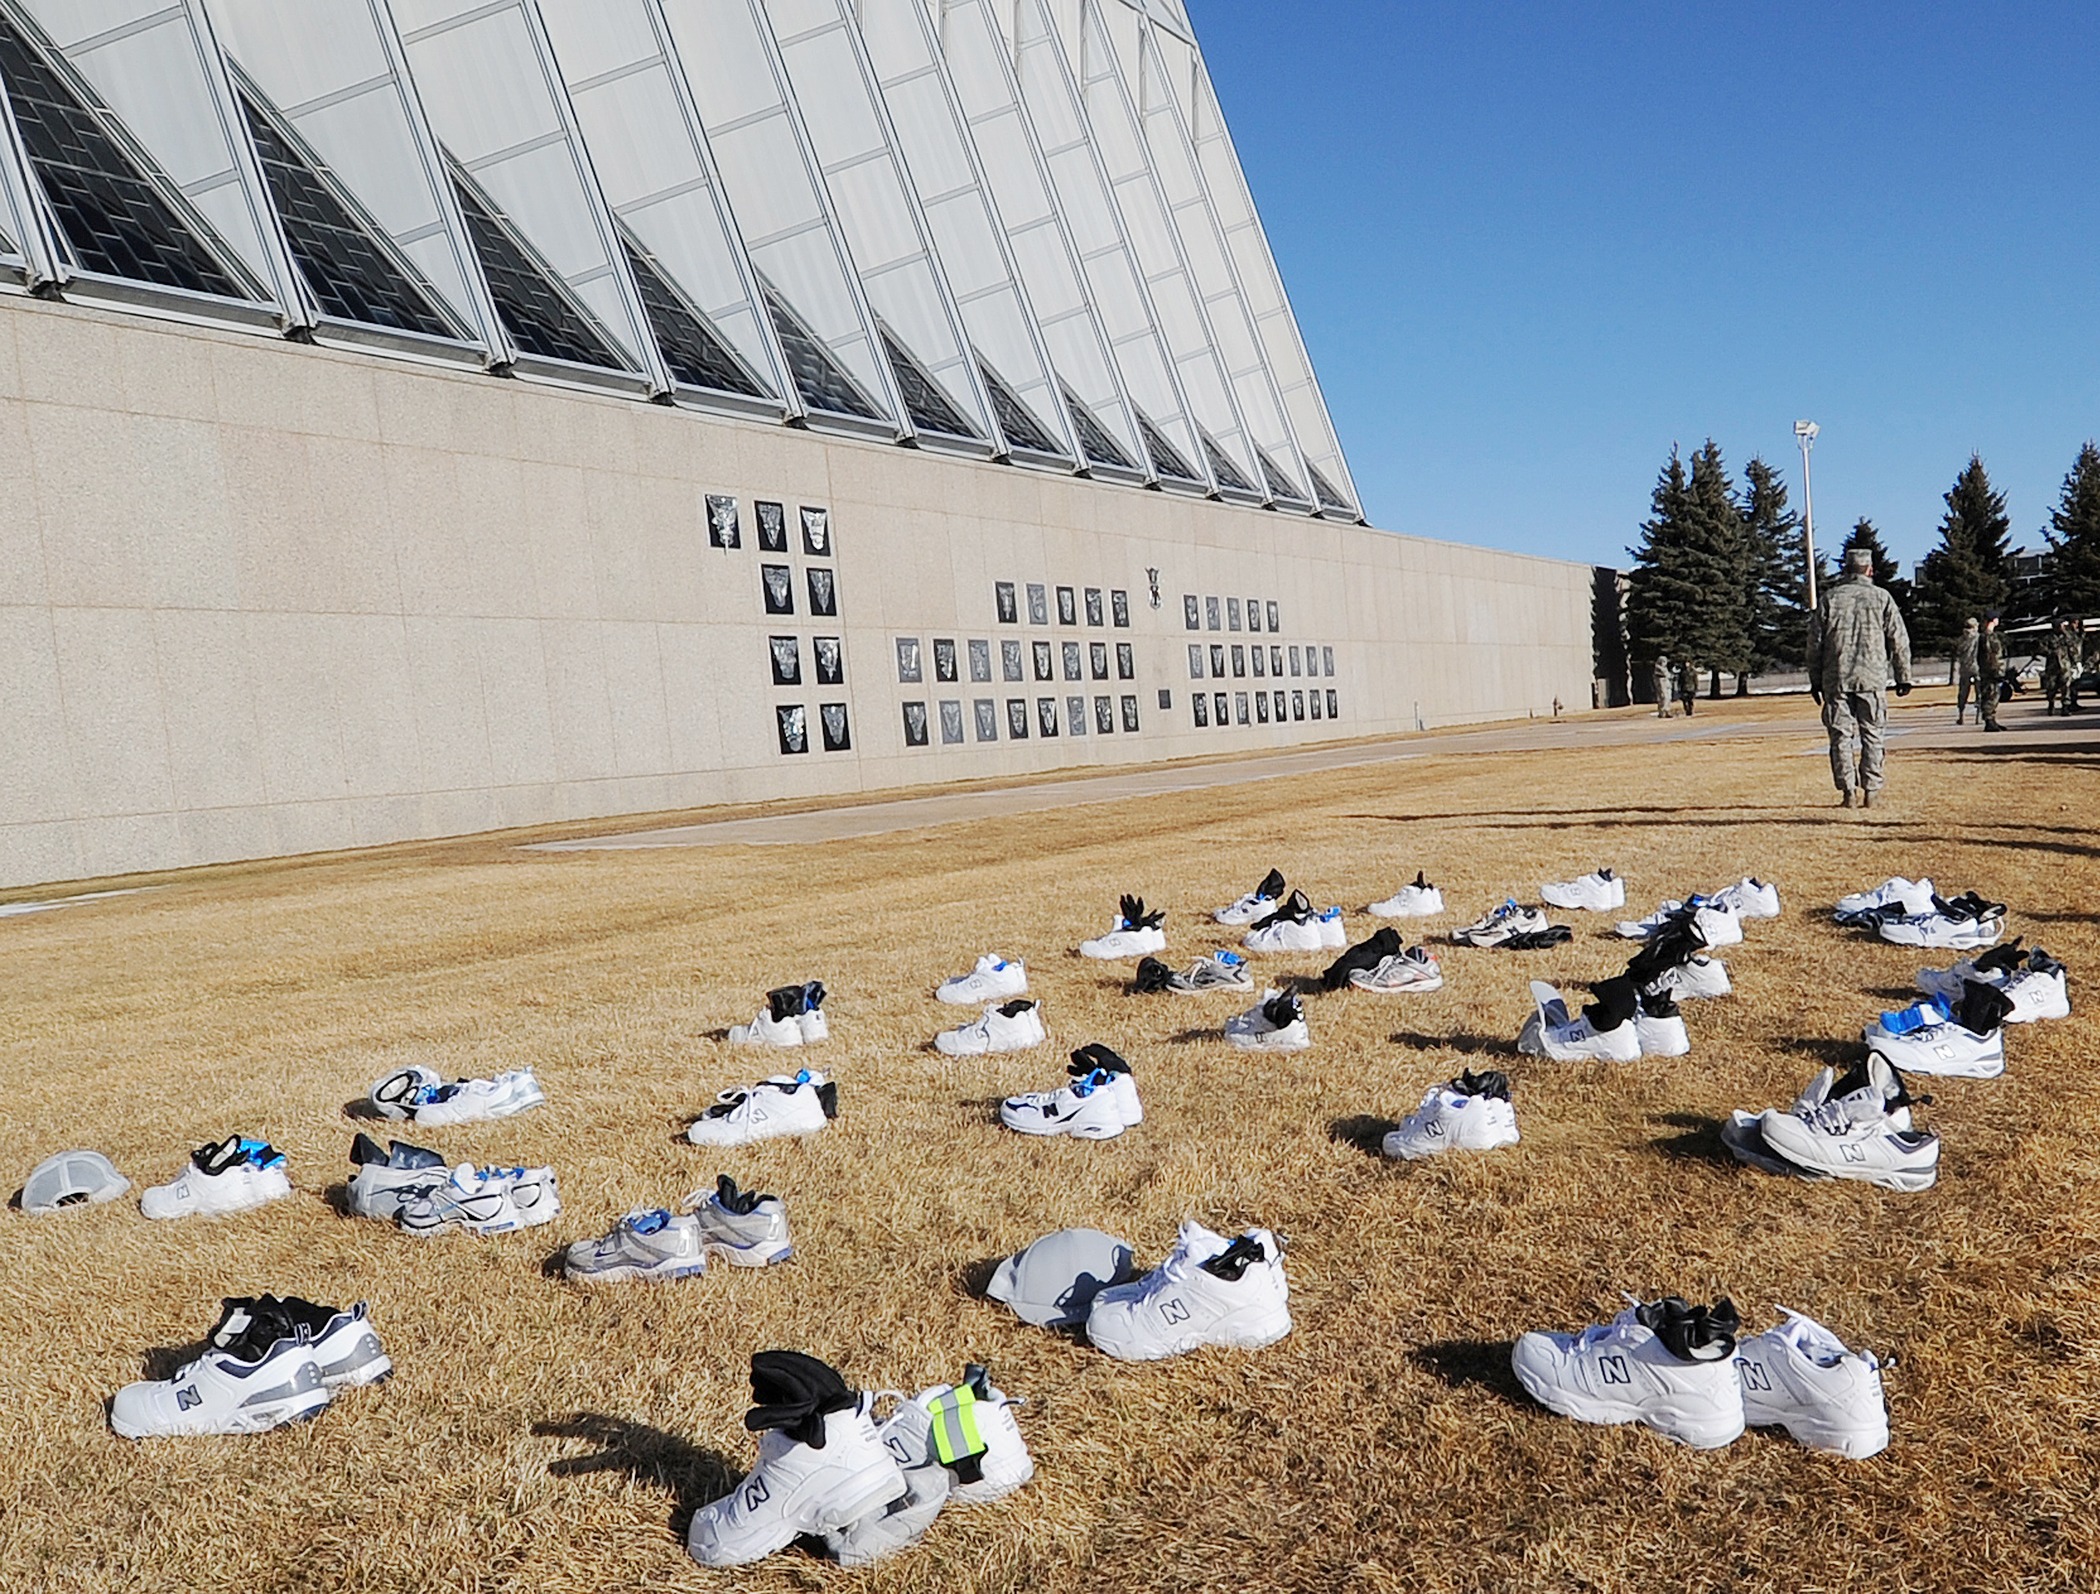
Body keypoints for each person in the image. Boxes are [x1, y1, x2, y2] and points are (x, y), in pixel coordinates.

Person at [1812, 545, 1913, 807]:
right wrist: (1904, 676)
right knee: (1873, 735)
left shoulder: (1830, 599)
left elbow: (1814, 644)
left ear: (1846, 570)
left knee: (1840, 737)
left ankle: (1848, 793)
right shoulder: (1882, 598)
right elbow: (1898, 639)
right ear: (1870, 570)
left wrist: (1814, 679)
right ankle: (1872, 791)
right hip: (1872, 679)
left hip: (1837, 679)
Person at [1977, 613, 2005, 732]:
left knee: (1994, 695)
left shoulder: (1991, 635)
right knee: (1990, 694)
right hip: (1990, 670)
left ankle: (1992, 719)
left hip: (1993, 669)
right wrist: (1994, 669)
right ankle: (1988, 720)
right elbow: (1990, 655)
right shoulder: (1987, 636)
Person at [1953, 617, 1979, 725]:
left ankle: (1961, 715)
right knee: (1980, 692)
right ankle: (1978, 716)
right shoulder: (1979, 638)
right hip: (1978, 667)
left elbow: (1957, 653)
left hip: (1964, 668)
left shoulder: (1961, 640)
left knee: (1963, 692)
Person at [1651, 654, 1672, 718]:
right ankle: (1662, 711)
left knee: (1668, 697)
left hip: (1666, 684)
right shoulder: (1658, 668)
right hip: (1661, 684)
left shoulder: (1664, 668)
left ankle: (1667, 710)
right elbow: (1666, 674)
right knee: (1663, 697)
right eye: (1663, 662)